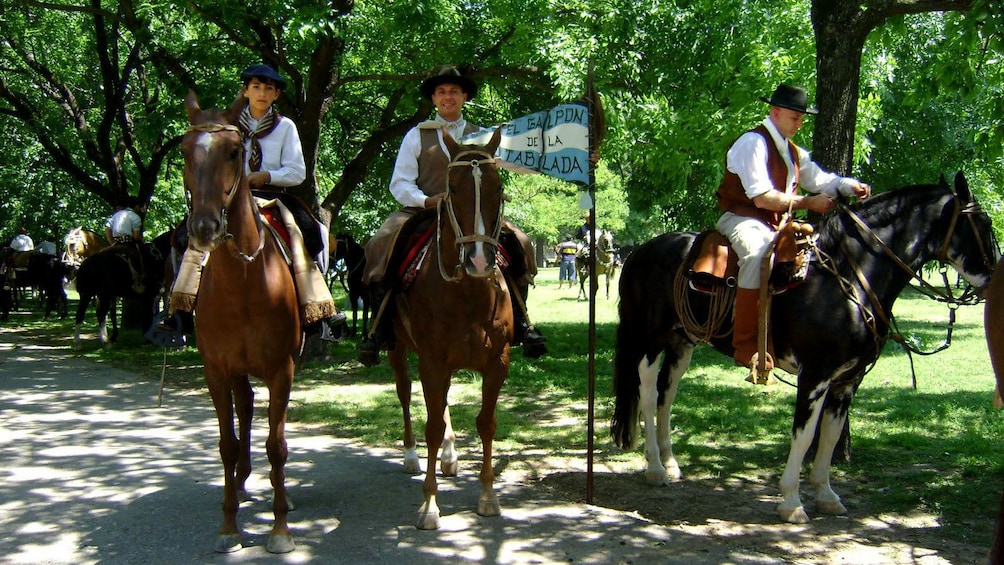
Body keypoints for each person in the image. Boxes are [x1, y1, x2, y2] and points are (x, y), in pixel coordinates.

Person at [359, 66, 547, 365]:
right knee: (382, 241)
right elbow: (400, 183)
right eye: (442, 92)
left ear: (465, 97)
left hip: (472, 216)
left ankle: (523, 323)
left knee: (520, 241)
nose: (448, 97)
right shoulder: (417, 136)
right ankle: (379, 328)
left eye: (454, 92)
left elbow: (519, 162)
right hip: (425, 210)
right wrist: (425, 200)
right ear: (434, 98)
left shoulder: (482, 135)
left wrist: (574, 159)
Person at [166, 63, 345, 338]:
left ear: (276, 95)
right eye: (256, 87)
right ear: (246, 91)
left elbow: (298, 171)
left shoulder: (285, 127)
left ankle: (318, 309)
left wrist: (267, 175)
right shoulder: (227, 125)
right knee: (186, 237)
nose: (262, 93)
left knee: (308, 232)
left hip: (272, 197)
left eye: (269, 89)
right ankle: (180, 310)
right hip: (230, 200)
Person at [715, 83, 870, 383]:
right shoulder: (753, 143)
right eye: (794, 118)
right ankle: (747, 345)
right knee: (758, 254)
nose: (799, 124)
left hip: (775, 224)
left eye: (801, 118)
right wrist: (807, 202)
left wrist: (848, 185)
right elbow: (761, 198)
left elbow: (819, 178)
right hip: (742, 218)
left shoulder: (792, 151)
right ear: (775, 112)